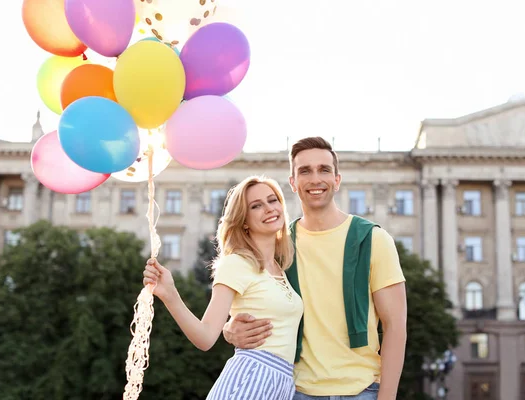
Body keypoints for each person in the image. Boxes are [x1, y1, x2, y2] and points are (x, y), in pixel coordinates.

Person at [222, 137, 407, 399]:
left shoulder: (373, 240)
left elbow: (396, 326)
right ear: (293, 183)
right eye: (305, 171)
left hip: (361, 391)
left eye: (324, 170)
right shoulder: (279, 246)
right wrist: (229, 330)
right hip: (295, 391)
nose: (315, 179)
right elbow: (251, 300)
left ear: (337, 180)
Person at [142, 176, 304, 400]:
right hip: (251, 378)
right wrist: (170, 294)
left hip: (283, 384)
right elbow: (206, 336)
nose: (269, 209)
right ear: (244, 220)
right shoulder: (237, 263)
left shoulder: (280, 269)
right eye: (256, 206)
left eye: (272, 200)